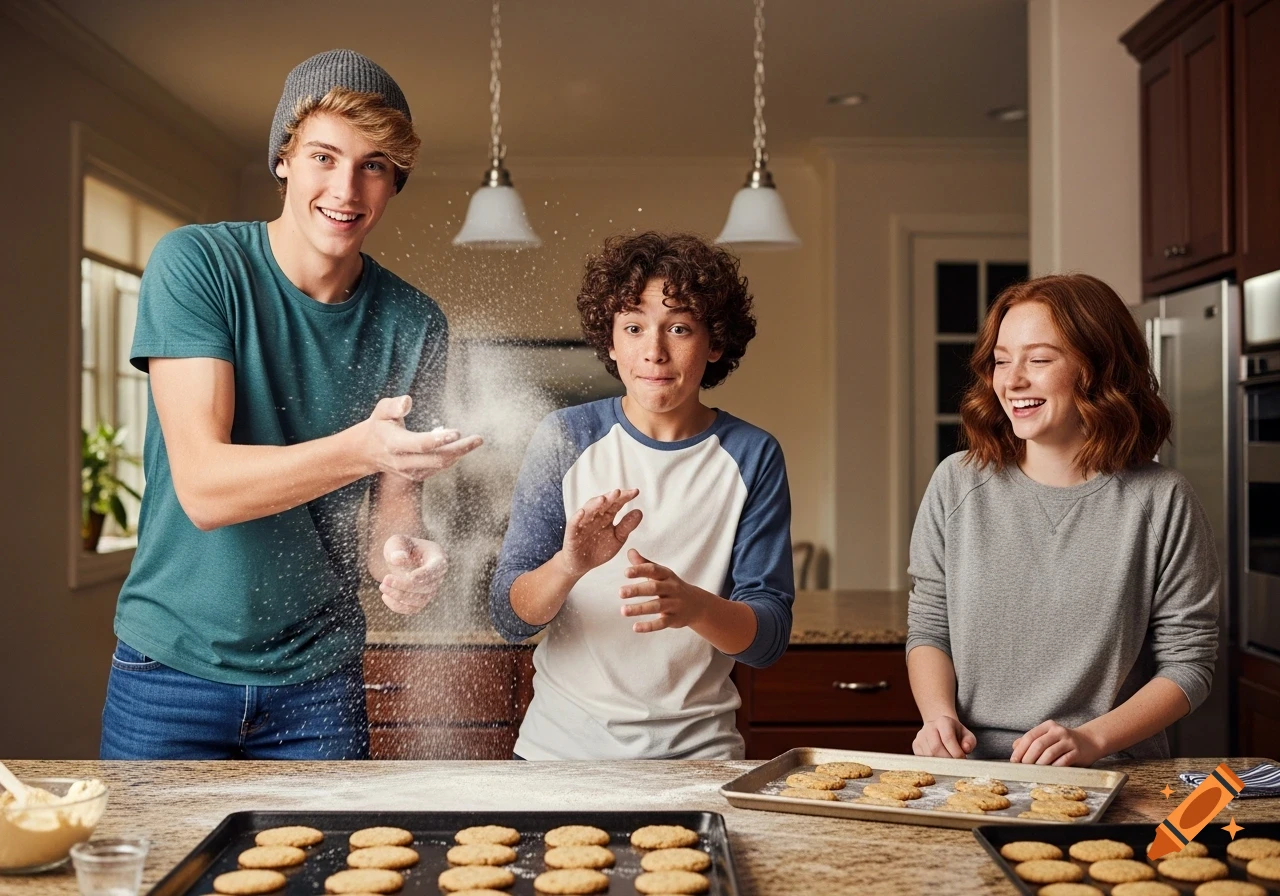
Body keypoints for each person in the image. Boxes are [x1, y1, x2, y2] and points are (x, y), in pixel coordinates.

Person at [100, 50, 481, 760]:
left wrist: (406, 559)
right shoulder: (199, 266)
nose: (346, 187)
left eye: (373, 164)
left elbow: (393, 511)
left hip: (318, 683)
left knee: (325, 875)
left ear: (394, 180)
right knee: (151, 876)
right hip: (170, 671)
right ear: (284, 158)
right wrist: (361, 448)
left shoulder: (414, 322)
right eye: (323, 156)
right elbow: (206, 489)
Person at [489, 232, 794, 760]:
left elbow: (768, 641)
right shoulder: (565, 437)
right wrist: (568, 565)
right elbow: (510, 617)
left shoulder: (752, 455)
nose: (654, 351)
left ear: (714, 342)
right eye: (633, 327)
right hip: (559, 756)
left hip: (697, 760)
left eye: (678, 328)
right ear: (610, 342)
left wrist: (693, 605)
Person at [906, 273, 1219, 765]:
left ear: (1098, 368)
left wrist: (1093, 739)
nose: (1011, 380)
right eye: (1002, 360)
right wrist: (937, 716)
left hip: (1113, 768)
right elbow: (929, 627)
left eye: (1039, 359)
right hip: (971, 769)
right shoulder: (957, 484)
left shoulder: (1162, 500)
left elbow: (1189, 664)